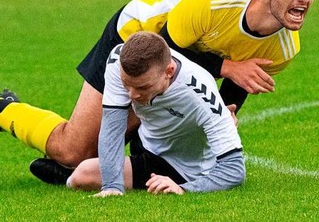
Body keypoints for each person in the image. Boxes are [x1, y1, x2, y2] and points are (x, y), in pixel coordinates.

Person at [0, 0, 319, 181]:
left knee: (162, 133)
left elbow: (226, 96)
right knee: (70, 148)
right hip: (135, 40)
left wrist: (224, 114)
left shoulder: (286, 48)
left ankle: (86, 168)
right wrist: (226, 67)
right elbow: (162, 57)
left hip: (168, 69)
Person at [66, 31, 245, 195]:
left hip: (185, 168)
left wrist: (183, 188)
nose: (132, 95)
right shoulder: (118, 60)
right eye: (126, 84)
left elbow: (234, 169)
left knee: (83, 174)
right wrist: (112, 186)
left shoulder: (201, 95)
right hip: (146, 146)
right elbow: (113, 128)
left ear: (169, 71)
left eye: (143, 87)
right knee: (79, 177)